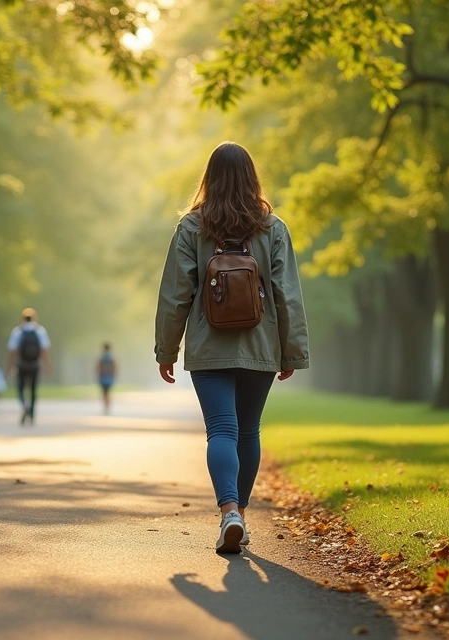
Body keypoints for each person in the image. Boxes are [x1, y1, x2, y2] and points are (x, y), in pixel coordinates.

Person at [154, 141, 310, 554]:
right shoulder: (273, 228)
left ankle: (229, 514)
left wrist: (166, 350)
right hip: (261, 345)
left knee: (221, 430)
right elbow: (287, 295)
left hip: (209, 347)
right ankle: (239, 512)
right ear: (251, 177)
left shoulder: (192, 227)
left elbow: (175, 295)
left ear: (209, 178)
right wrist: (291, 351)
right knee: (248, 430)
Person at [6, 307, 51, 425]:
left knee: (20, 388)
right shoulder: (40, 331)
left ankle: (24, 405)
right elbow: (44, 351)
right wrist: (47, 366)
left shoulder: (17, 331)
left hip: (21, 364)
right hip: (35, 364)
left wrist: (9, 366)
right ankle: (31, 413)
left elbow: (13, 351)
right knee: (33, 389)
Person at [96, 343, 118, 415]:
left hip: (103, 377)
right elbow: (115, 368)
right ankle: (107, 406)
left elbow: (98, 367)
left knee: (104, 392)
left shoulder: (101, 358)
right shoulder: (111, 358)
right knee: (108, 392)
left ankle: (105, 406)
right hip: (109, 378)